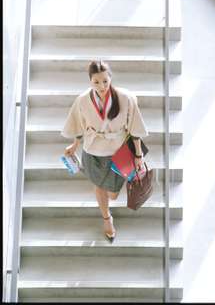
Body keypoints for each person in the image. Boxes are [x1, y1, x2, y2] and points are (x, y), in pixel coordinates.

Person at [62, 60, 149, 242]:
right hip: (92, 152)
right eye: (96, 82)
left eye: (105, 81)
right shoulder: (83, 100)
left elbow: (135, 129)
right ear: (90, 81)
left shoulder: (126, 98)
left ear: (110, 79)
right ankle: (107, 219)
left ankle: (110, 202)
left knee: (114, 193)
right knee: (99, 186)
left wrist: (139, 155)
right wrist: (74, 146)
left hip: (120, 152)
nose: (101, 86)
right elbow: (80, 126)